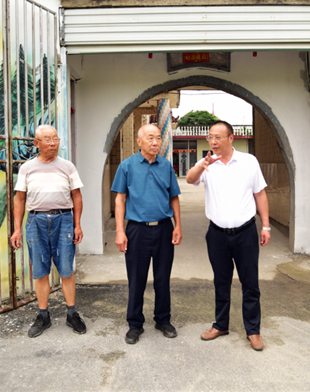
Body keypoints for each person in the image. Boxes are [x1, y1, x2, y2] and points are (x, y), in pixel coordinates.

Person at [186, 120, 270, 351]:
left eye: (218, 137)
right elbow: (190, 179)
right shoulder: (206, 163)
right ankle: (220, 324)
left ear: (231, 138)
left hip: (245, 233)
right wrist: (202, 165)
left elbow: (260, 194)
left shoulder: (249, 162)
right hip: (217, 234)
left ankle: (253, 330)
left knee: (250, 283)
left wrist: (266, 226)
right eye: (210, 137)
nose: (213, 141)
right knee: (221, 281)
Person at [10, 125, 86, 338]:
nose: (53, 143)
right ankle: (43, 315)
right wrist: (17, 229)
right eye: (47, 139)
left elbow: (77, 196)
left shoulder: (67, 166)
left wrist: (77, 225)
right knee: (40, 270)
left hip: (64, 219)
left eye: (55, 139)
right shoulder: (27, 168)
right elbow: (19, 199)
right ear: (37, 143)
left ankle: (72, 314)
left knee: (66, 269)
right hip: (36, 220)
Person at [111, 124, 182, 344]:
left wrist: (178, 225)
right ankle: (134, 324)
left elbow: (173, 197)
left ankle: (163, 319)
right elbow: (120, 199)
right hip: (137, 230)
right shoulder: (127, 165)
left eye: (158, 138)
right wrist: (120, 231)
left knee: (163, 277)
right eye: (150, 138)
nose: (155, 142)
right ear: (139, 141)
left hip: (164, 228)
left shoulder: (166, 166)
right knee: (136, 278)